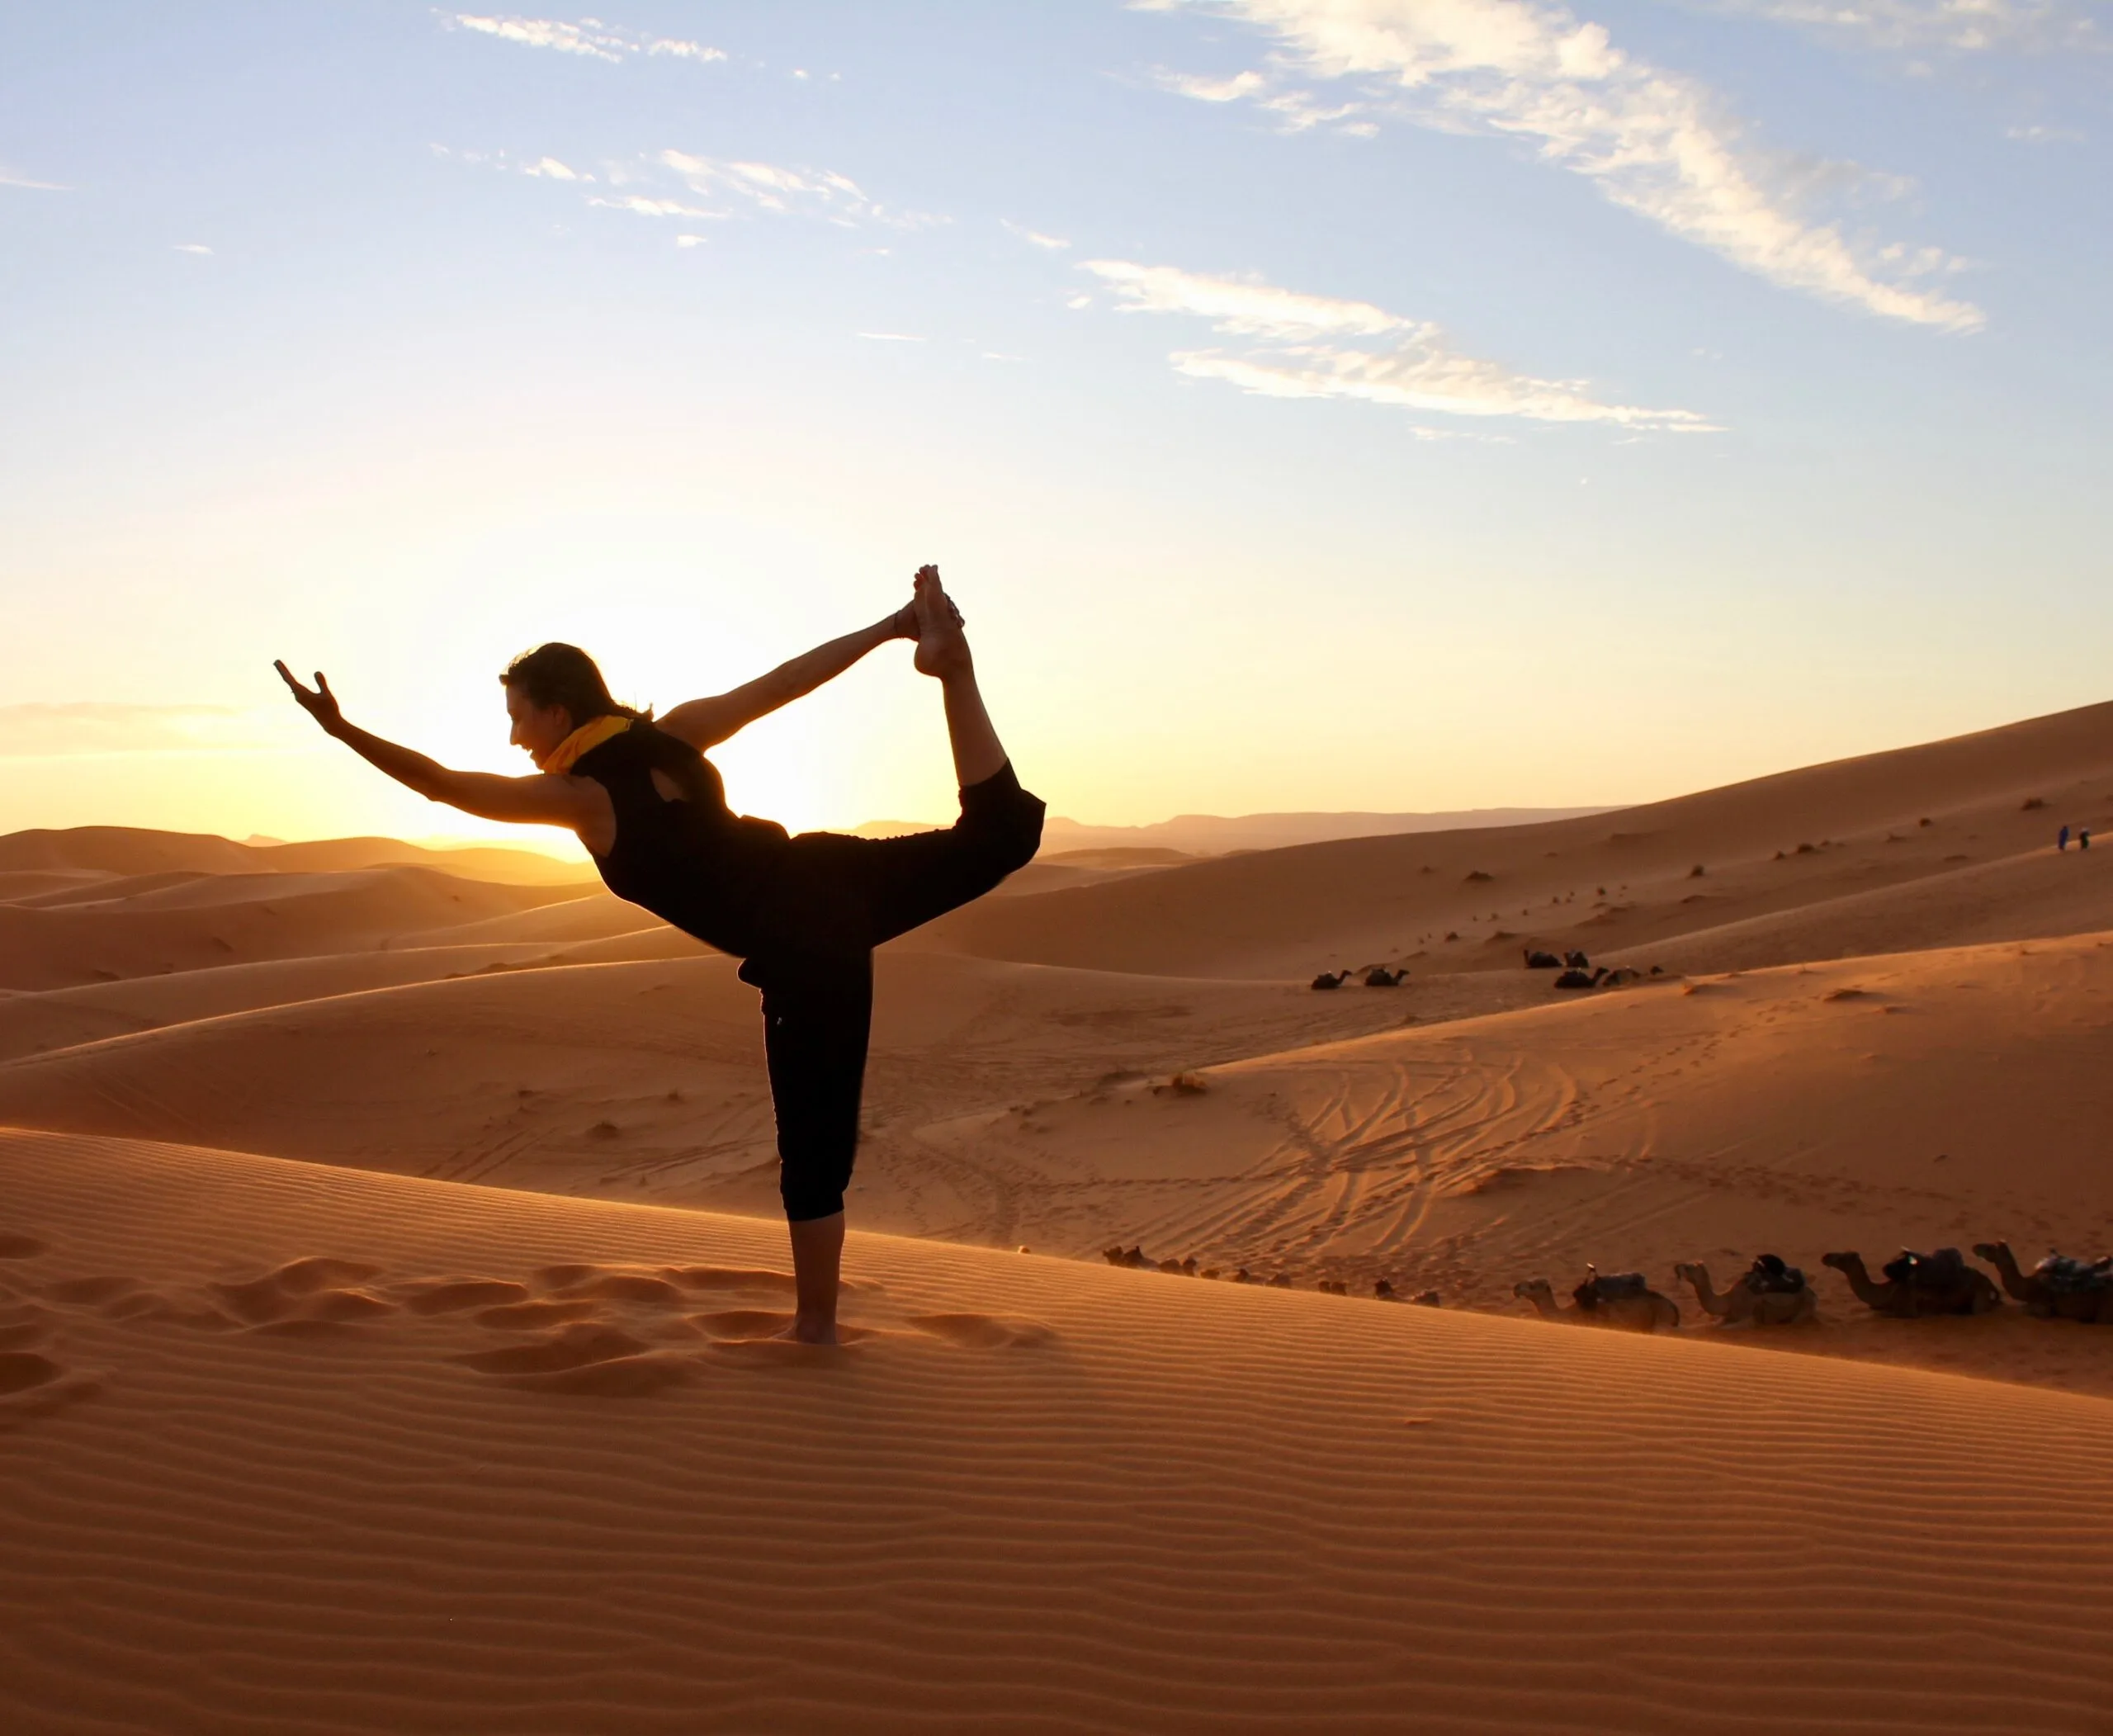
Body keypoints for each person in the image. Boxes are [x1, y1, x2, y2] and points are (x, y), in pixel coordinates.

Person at [277, 565, 1042, 1343]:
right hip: (827, 874)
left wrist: (342, 732)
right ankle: (954, 669)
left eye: (518, 718)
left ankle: (815, 1330)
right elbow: (782, 683)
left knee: (812, 1143)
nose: (512, 737)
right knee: (1000, 838)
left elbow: (441, 785)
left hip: (803, 943)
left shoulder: (582, 798)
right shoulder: (671, 734)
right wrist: (890, 627)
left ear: (557, 711)